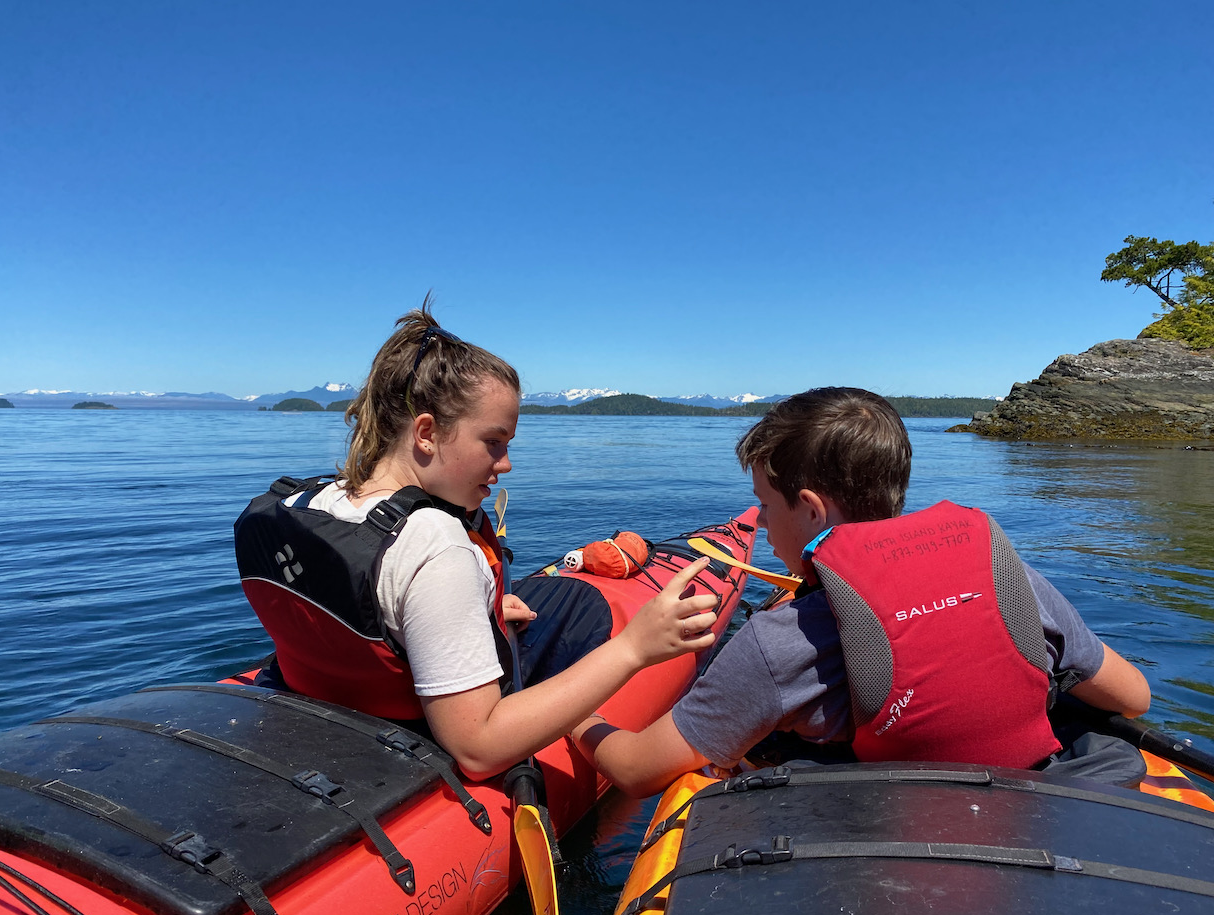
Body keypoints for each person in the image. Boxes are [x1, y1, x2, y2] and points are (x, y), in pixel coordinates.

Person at [571, 387, 1152, 797]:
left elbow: (636, 770)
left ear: (812, 508)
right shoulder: (1015, 583)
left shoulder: (779, 644)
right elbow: (1134, 696)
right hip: (1031, 813)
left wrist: (575, 719)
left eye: (768, 506)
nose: (759, 524)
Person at [237, 299, 719, 781]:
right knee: (579, 614)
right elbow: (478, 747)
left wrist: (472, 608)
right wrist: (634, 648)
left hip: (321, 696)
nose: (506, 462)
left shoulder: (314, 500)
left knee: (545, 601)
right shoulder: (436, 543)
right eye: (494, 442)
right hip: (408, 740)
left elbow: (367, 605)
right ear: (426, 433)